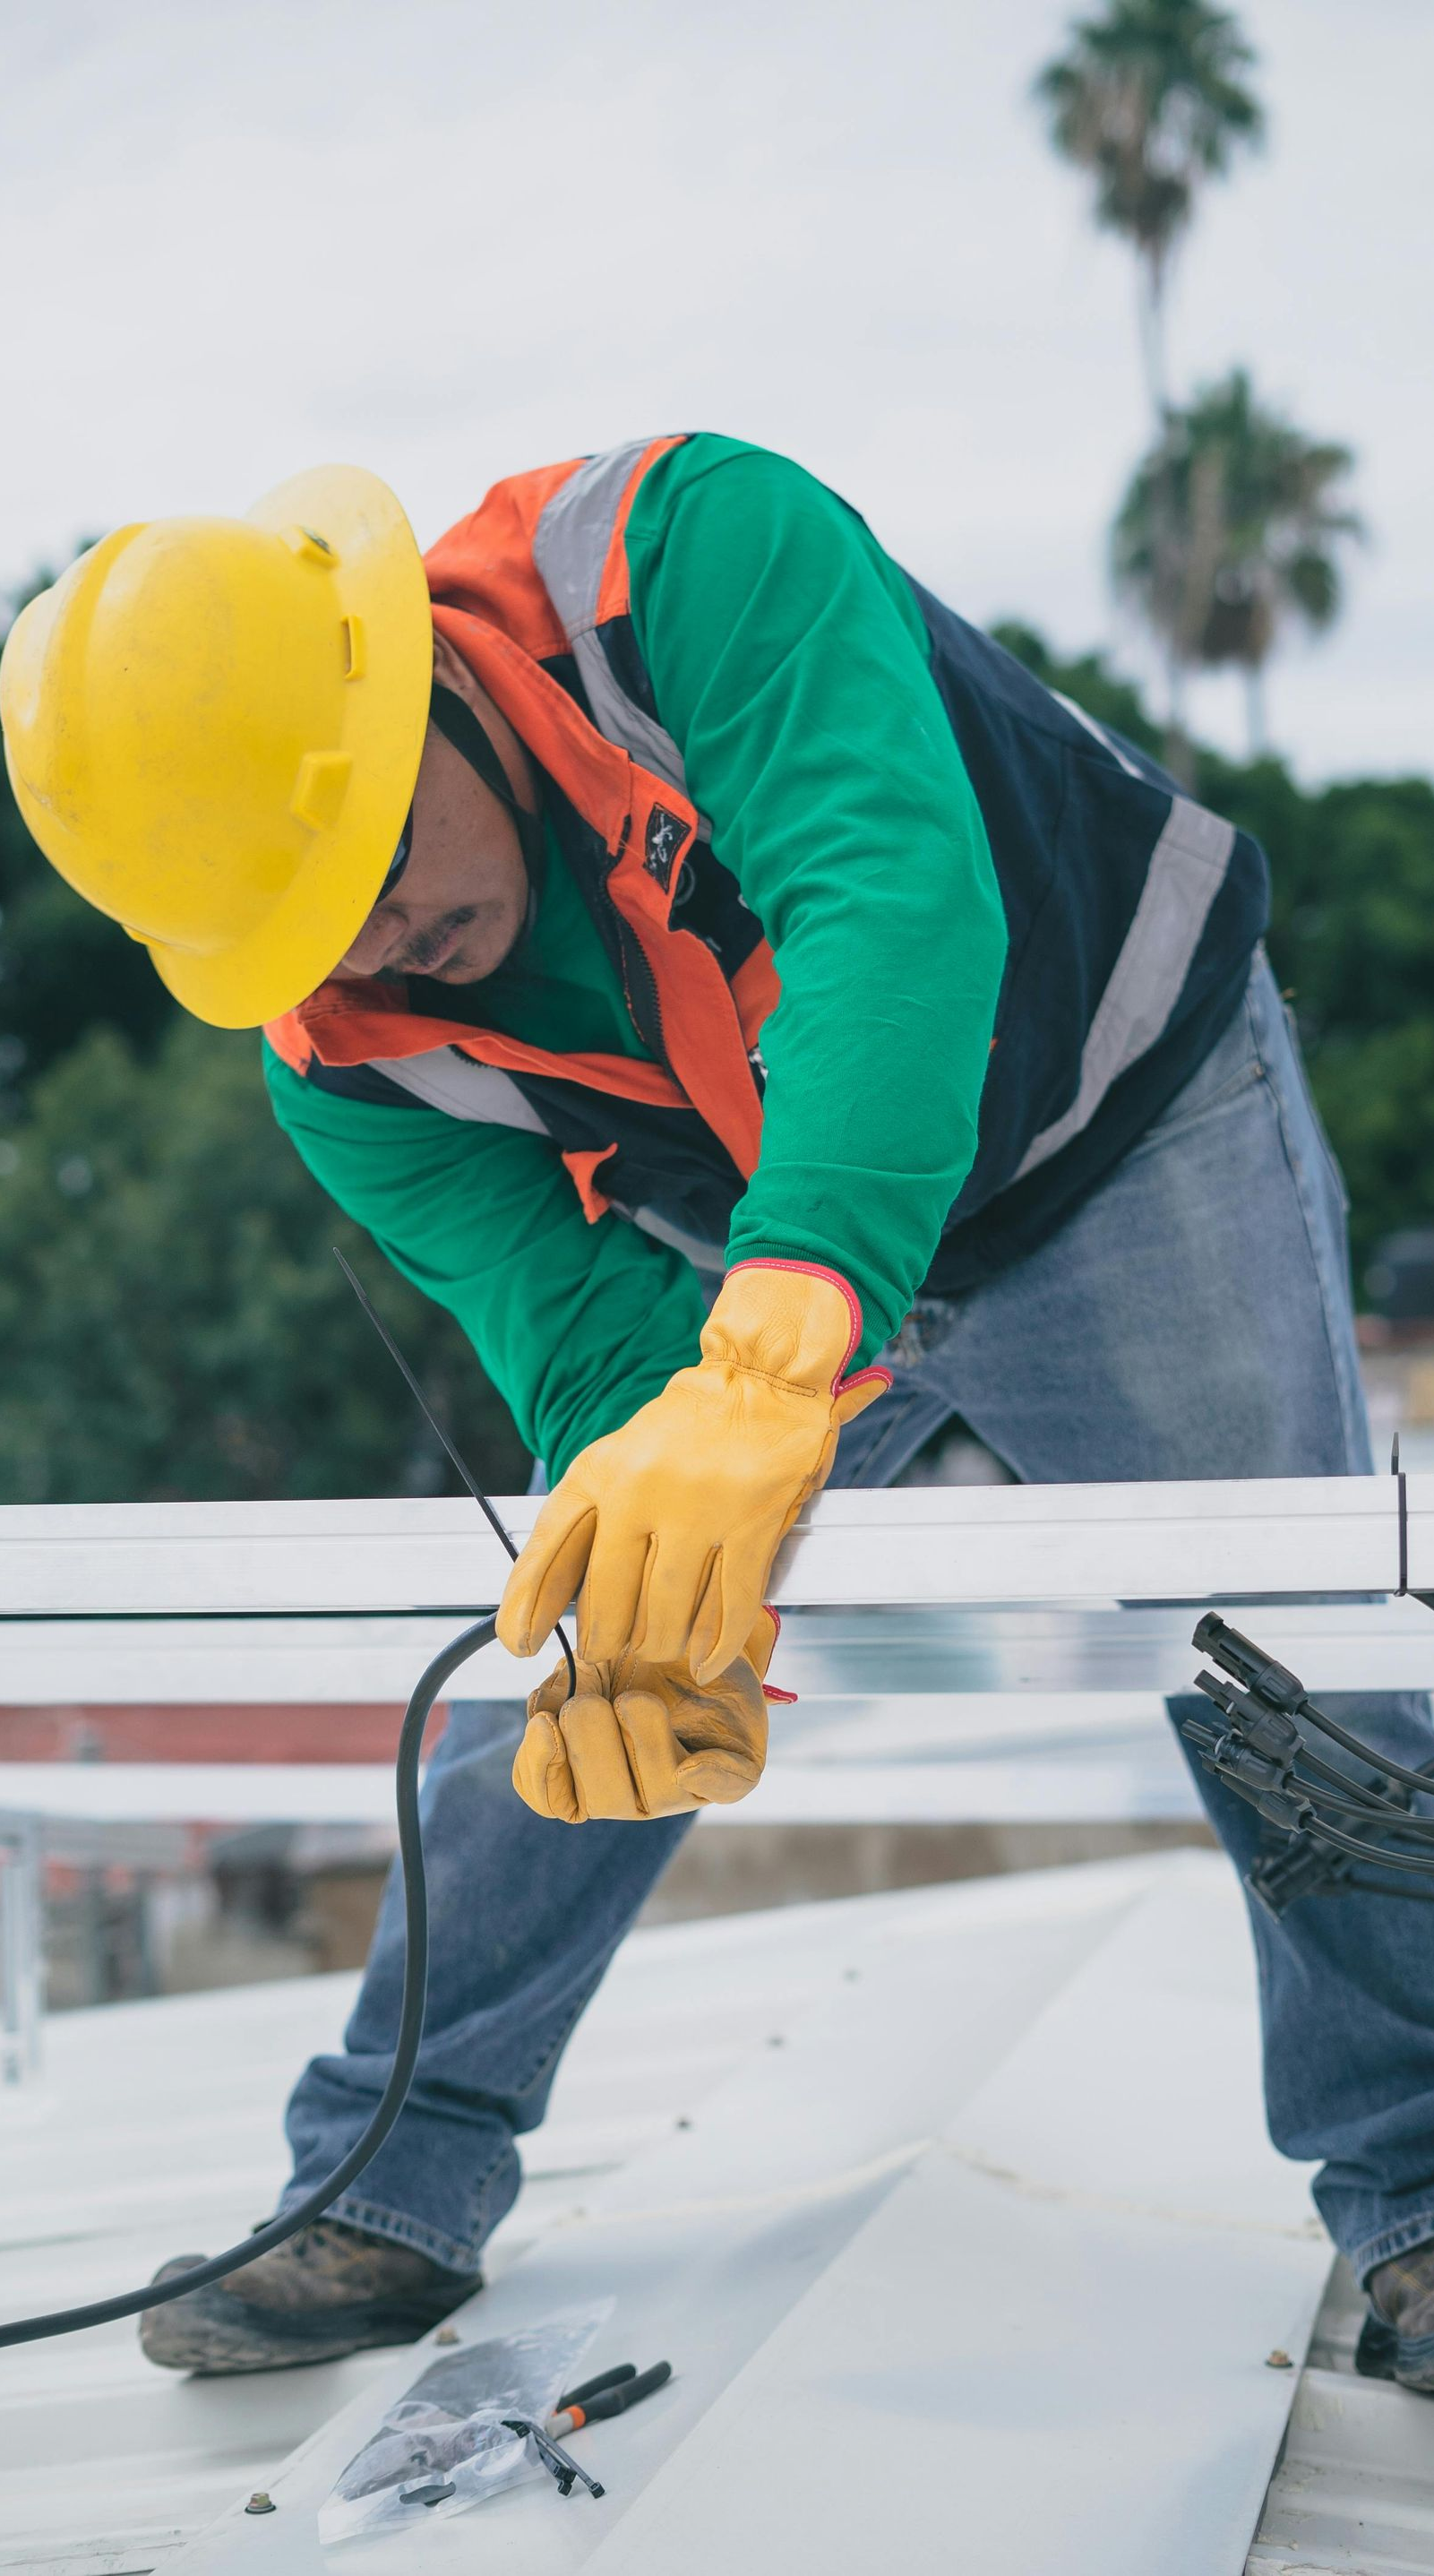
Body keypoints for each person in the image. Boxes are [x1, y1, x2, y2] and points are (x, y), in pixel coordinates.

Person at [6, 435, 1434, 2391]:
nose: (368, 953)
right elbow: (590, 1359)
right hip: (756, 1235)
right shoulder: (345, 1068)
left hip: (1108, 1122)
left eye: (367, 870)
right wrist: (679, 1599)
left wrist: (772, 1359)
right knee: (580, 1624)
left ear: (405, 677)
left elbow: (890, 915)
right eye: (301, 932)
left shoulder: (682, 561)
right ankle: (380, 2191)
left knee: (1295, 1668)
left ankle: (1420, 2196)